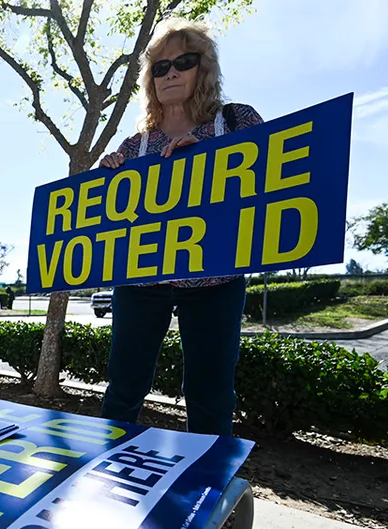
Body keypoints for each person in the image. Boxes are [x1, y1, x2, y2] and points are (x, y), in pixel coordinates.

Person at [96, 20, 263, 436]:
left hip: (216, 280)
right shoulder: (137, 146)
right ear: (150, 79)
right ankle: (103, 480)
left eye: (184, 62)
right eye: (160, 66)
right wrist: (108, 177)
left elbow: (270, 173)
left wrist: (213, 155)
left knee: (210, 393)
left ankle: (209, 490)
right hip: (140, 281)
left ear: (202, 68)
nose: (171, 73)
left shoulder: (237, 120)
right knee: (123, 388)